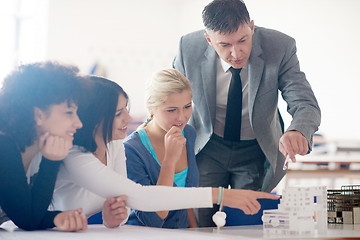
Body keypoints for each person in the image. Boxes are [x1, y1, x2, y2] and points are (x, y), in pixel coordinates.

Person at [44, 75, 279, 228]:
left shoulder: (114, 145)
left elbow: (123, 206)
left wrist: (112, 218)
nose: (128, 118)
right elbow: (142, 198)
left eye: (126, 109)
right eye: (118, 114)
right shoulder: (76, 157)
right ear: (94, 119)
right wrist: (221, 195)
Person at [173, 0, 321, 227]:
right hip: (208, 145)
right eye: (225, 45)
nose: (236, 53)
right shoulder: (188, 47)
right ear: (209, 40)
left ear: (252, 27)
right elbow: (168, 97)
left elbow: (305, 102)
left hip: (254, 148)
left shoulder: (279, 46)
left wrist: (298, 129)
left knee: (247, 221)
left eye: (243, 40)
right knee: (200, 220)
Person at [0, 62, 88, 231]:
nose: (79, 123)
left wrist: (56, 217)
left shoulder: (18, 147)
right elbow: (28, 220)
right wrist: (51, 161)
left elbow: (23, 209)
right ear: (38, 115)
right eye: (69, 112)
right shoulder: (4, 147)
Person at [124, 69, 198, 228]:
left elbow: (187, 199)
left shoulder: (188, 134)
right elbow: (154, 219)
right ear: (151, 110)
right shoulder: (132, 149)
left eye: (187, 107)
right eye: (171, 110)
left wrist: (197, 232)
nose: (182, 117)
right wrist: (169, 161)